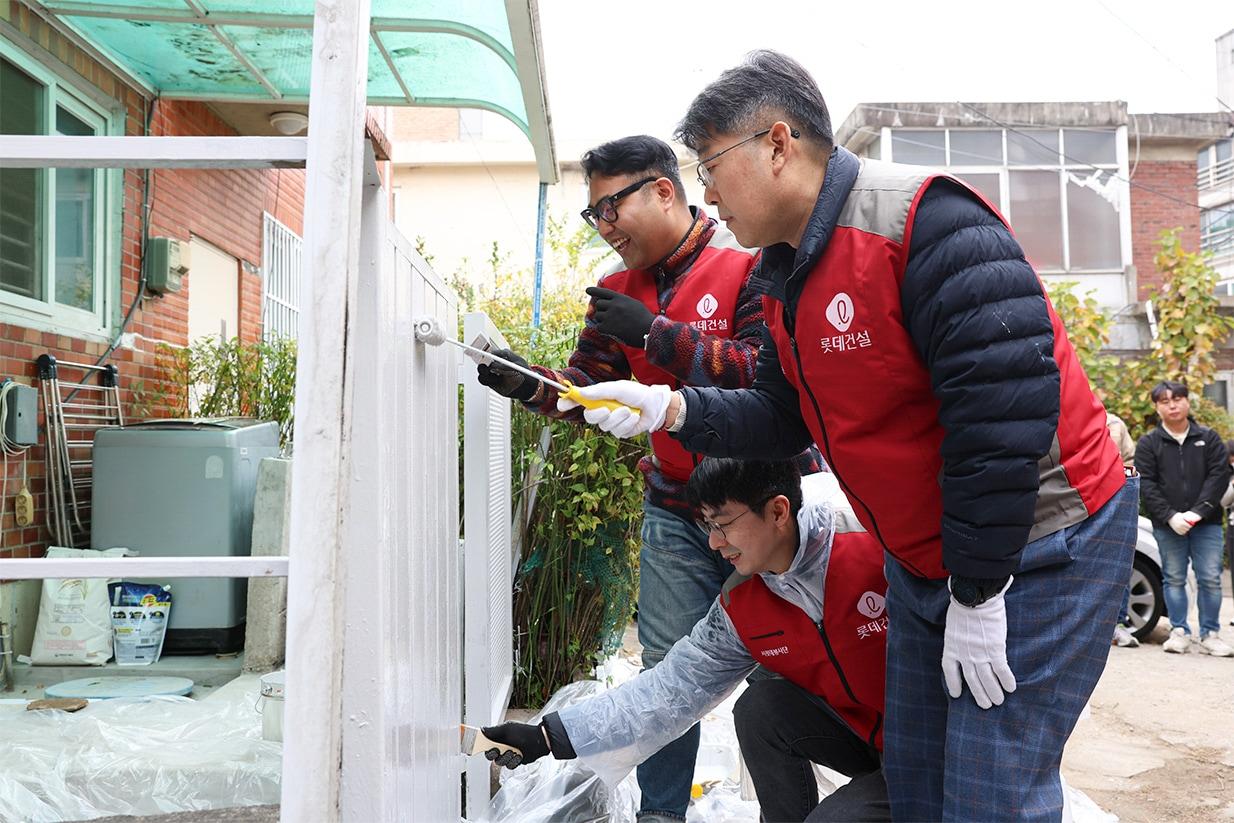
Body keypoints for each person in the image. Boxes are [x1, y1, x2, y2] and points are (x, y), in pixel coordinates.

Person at [559, 51, 1138, 821]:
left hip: (1037, 544)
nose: (707, 192)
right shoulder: (782, 274)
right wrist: (669, 411)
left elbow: (1001, 426)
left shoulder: (925, 226)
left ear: (776, 143)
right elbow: (779, 410)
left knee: (988, 792)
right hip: (927, 554)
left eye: (711, 166)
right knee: (919, 782)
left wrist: (977, 589)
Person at [474, 134, 819, 822]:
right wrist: (531, 383)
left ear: (665, 190)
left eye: (611, 206)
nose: (603, 227)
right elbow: (587, 392)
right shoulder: (614, 293)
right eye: (592, 214)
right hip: (673, 507)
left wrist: (655, 334)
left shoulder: (748, 265)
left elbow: (761, 375)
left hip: (767, 509)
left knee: (788, 667)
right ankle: (661, 814)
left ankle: (794, 809)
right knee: (669, 670)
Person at [481, 460, 890, 823]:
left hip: (933, 744)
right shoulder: (742, 603)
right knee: (760, 709)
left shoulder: (874, 538)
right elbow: (670, 689)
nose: (714, 543)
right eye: (707, 527)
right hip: (866, 738)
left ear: (778, 510)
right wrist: (548, 736)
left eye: (723, 524)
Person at [1134, 381, 1233, 656]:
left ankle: (1210, 633)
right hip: (1168, 526)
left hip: (1207, 522)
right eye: (1165, 401)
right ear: (1157, 407)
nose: (1172, 405)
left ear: (1188, 401)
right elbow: (1147, 484)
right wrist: (1171, 516)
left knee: (1210, 578)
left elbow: (1218, 477)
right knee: (1174, 577)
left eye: (1177, 398)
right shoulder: (1149, 443)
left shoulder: (1209, 438)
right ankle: (1179, 631)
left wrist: (1198, 511)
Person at [1099, 394, 1140, 648]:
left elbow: (1126, 459)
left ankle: (1119, 625)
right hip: (1085, 497)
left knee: (1120, 561)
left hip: (1117, 495)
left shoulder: (1113, 424)